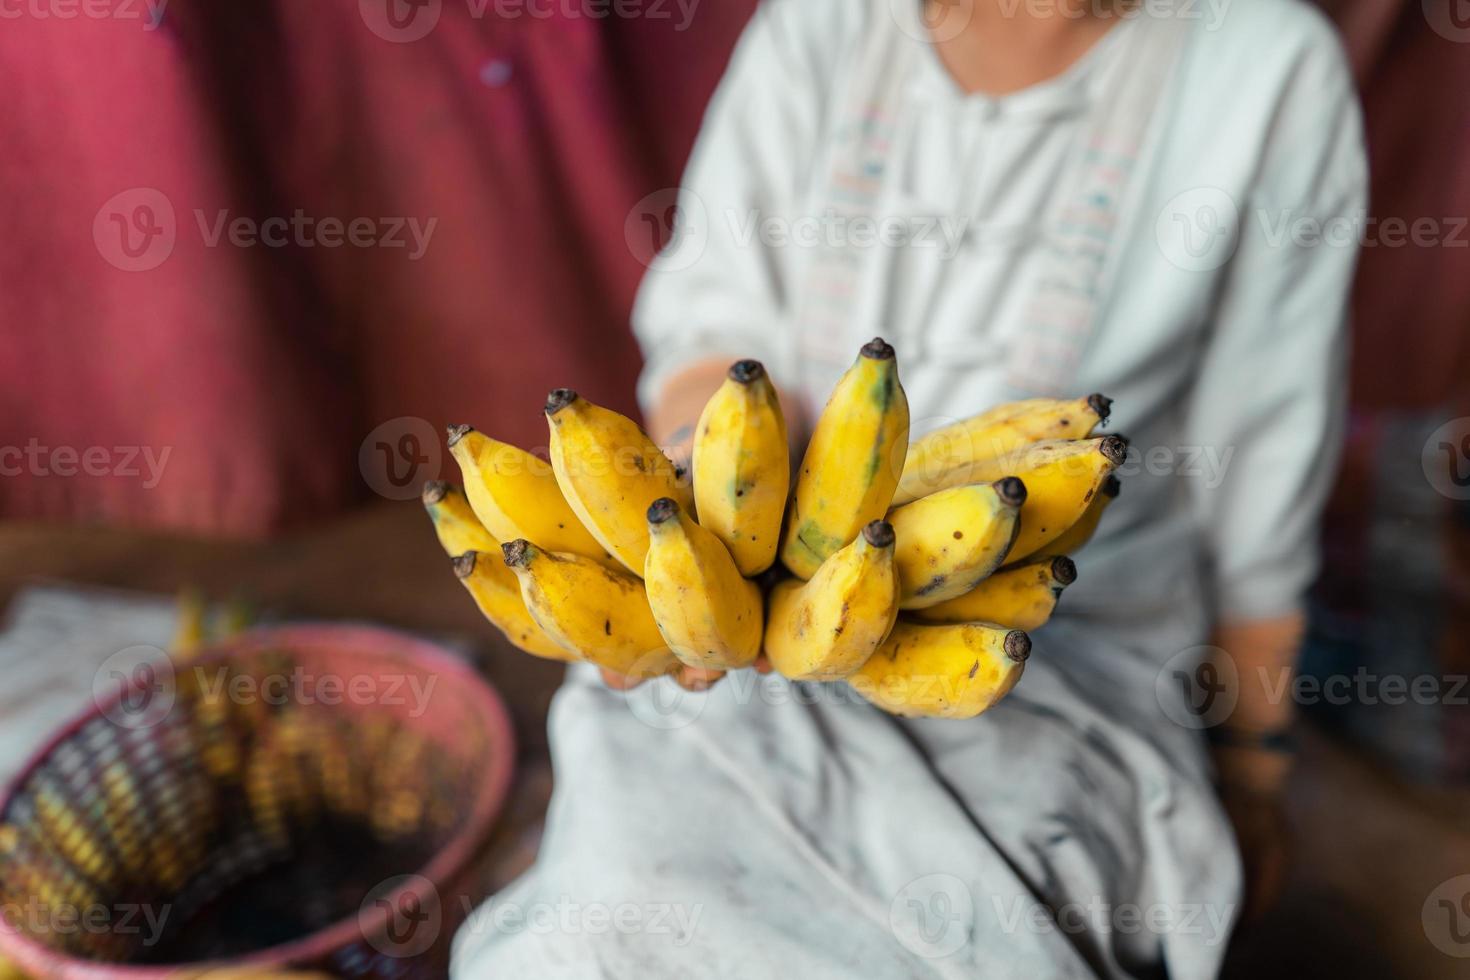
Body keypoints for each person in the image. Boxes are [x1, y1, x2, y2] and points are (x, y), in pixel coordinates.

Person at [454, 0, 1365, 976]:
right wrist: (698, 523)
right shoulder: (821, 24)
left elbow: (1260, 472)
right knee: (620, 903)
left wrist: (1251, 766)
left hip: (1068, 645)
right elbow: (714, 325)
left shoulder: (1271, 68)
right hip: (751, 606)